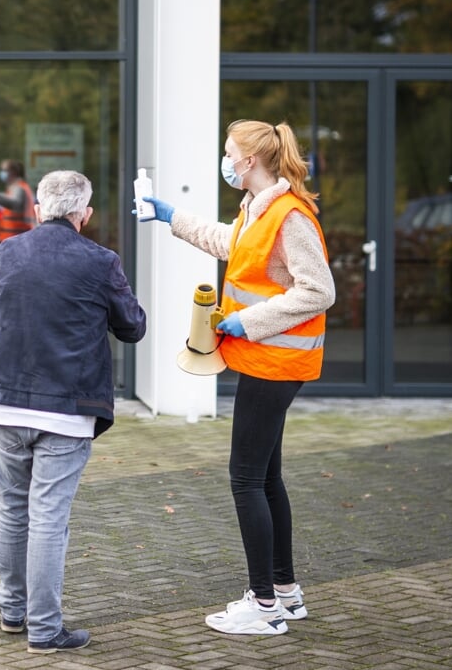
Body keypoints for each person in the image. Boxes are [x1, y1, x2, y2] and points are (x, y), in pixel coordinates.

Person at [140, 120, 335, 636]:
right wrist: (170, 216)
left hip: (274, 362)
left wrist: (246, 321)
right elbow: (231, 244)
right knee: (266, 478)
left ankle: (264, 606)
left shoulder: (290, 217)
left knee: (246, 479)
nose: (224, 160)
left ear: (249, 161)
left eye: (229, 153)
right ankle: (286, 594)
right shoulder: (258, 208)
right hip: (261, 361)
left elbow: (319, 290)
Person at [0, 170, 146, 655]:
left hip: (3, 401)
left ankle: (12, 612)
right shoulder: (101, 262)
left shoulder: (7, 251)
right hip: (66, 408)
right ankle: (45, 630)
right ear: (82, 214)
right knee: (48, 518)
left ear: (40, 207)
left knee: (12, 508)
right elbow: (132, 327)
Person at [0, 159, 36, 242]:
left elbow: (13, 203)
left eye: (4, 170)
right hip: (13, 238)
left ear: (13, 172)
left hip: (17, 238)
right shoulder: (14, 187)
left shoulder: (19, 188)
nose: (2, 173)